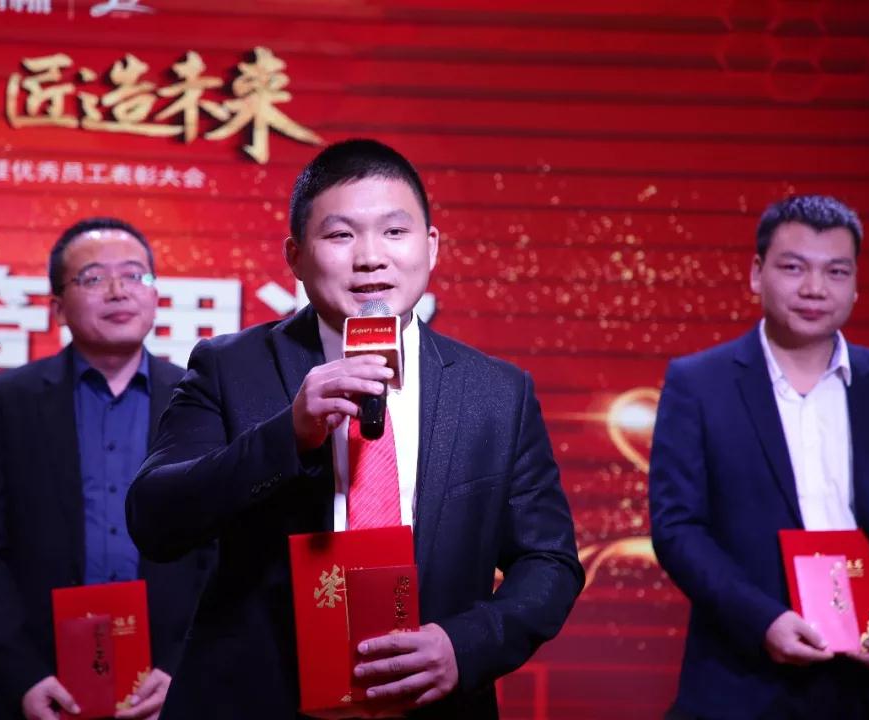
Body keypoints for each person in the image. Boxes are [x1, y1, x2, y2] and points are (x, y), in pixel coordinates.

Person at [126, 139, 583, 719]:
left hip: (432, 704)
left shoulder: (496, 392)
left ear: (430, 246)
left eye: (394, 232)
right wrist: (287, 436)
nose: (370, 257)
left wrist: (464, 646)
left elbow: (549, 562)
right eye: (340, 235)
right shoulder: (228, 366)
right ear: (295, 256)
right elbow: (156, 519)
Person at [0, 217, 214, 720]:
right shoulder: (7, 400)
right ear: (57, 307)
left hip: (165, 685)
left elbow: (220, 549)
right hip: (35, 680)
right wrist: (24, 676)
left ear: (155, 293)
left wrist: (179, 666)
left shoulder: (200, 397)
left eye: (134, 274)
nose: (118, 291)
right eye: (93, 277)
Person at [649, 195, 869, 719]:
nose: (815, 288)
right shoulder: (700, 384)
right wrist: (761, 620)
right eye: (793, 268)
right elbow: (677, 528)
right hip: (744, 676)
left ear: (855, 285)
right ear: (756, 273)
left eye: (836, 271)